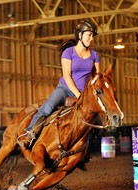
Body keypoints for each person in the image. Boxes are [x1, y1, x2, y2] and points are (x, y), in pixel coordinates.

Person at [17, 20, 100, 148]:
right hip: (65, 89)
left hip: (84, 92)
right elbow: (67, 76)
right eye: (89, 35)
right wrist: (79, 95)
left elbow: (97, 77)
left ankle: (84, 149)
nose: (91, 38)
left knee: (95, 116)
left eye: (92, 35)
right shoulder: (68, 52)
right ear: (80, 35)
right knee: (48, 107)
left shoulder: (94, 55)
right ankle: (29, 133)